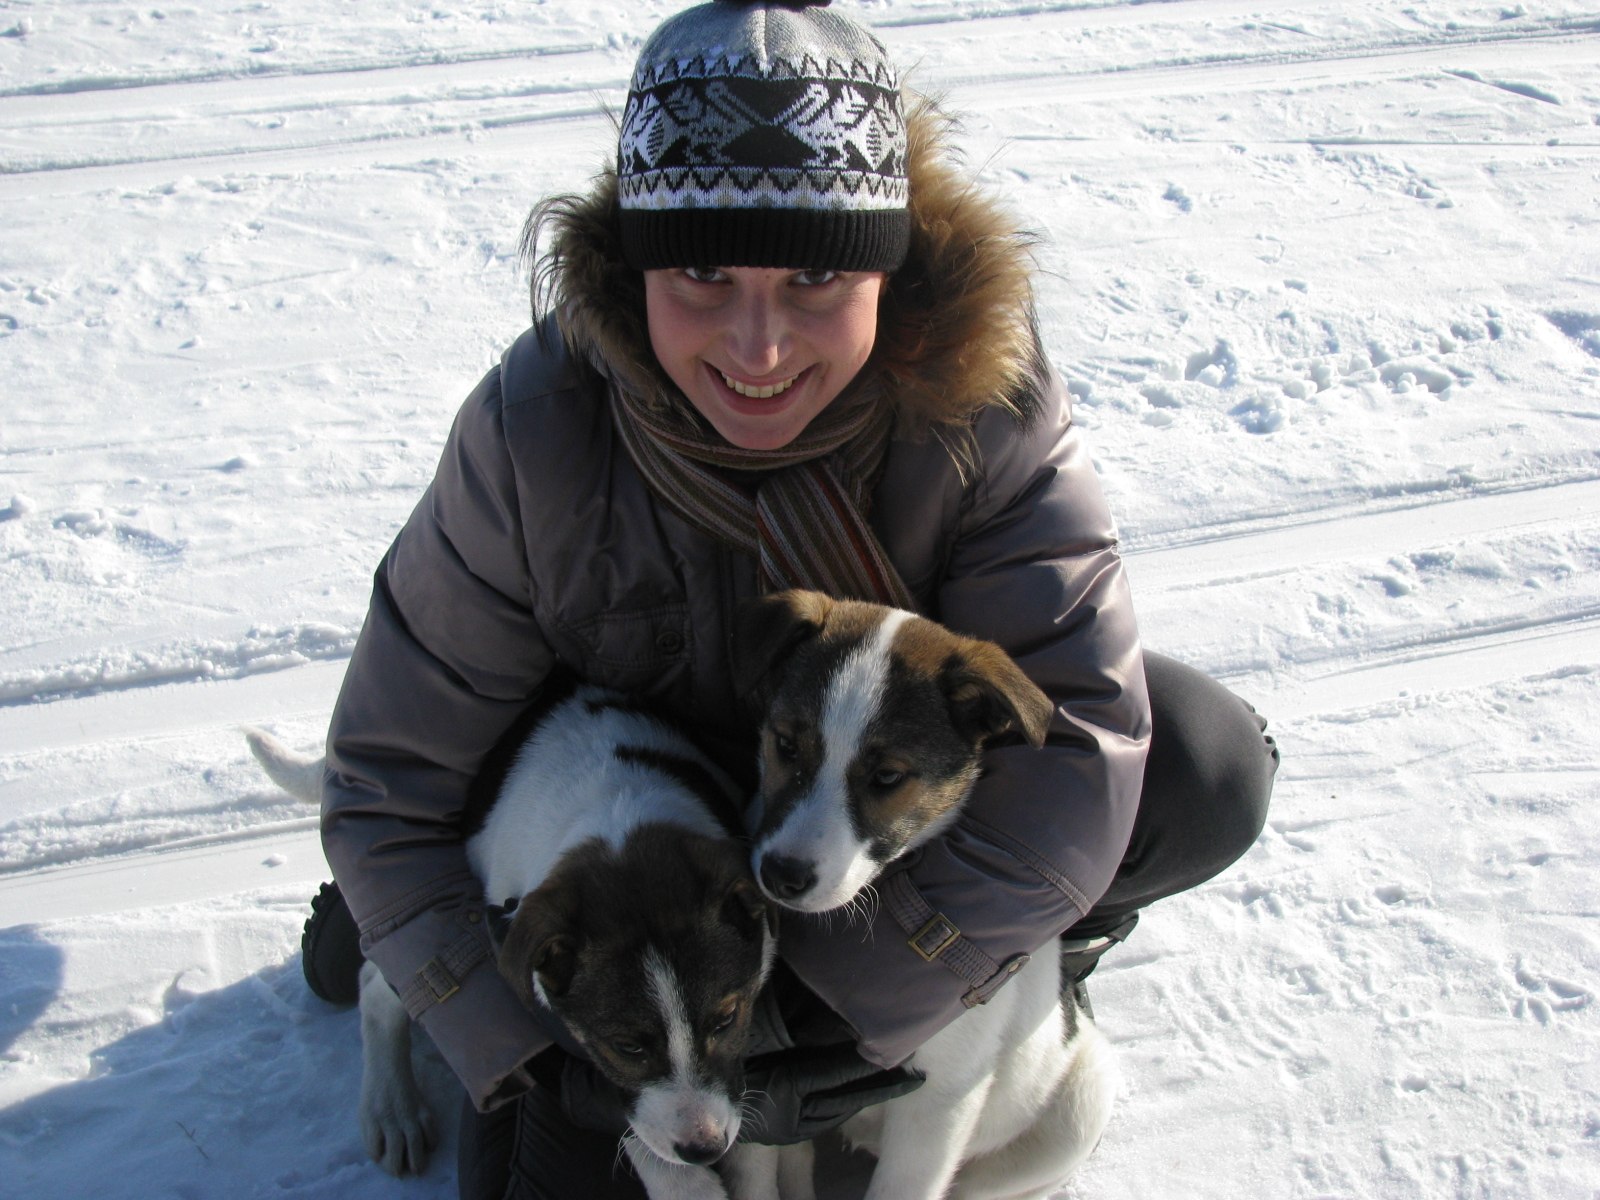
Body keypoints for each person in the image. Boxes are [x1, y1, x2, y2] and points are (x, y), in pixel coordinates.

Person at [300, 1, 1279, 1196]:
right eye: (702, 272)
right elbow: (385, 787)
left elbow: (1078, 741)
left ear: (887, 272)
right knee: (465, 1046)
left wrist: (843, 1000)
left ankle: (1026, 956)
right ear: (634, 270)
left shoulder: (984, 409)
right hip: (604, 828)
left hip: (830, 793)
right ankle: (365, 925)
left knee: (1198, 763)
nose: (757, 348)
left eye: (815, 274)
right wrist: (520, 1034)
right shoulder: (536, 430)